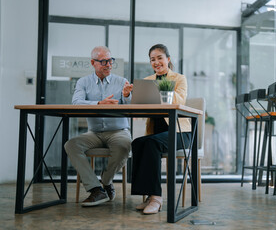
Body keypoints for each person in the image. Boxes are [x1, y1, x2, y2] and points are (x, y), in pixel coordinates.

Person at [65, 46, 133, 207]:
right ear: (93, 63)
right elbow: (76, 103)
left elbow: (129, 106)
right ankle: (96, 189)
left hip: (118, 131)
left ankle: (106, 180)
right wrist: (98, 103)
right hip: (94, 133)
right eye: (103, 61)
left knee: (125, 145)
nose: (108, 64)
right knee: (71, 145)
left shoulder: (121, 82)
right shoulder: (84, 82)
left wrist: (126, 95)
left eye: (110, 61)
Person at [131, 44, 192, 214]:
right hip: (157, 134)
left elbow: (180, 101)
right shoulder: (148, 81)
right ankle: (149, 196)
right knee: (137, 143)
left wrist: (162, 87)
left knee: (150, 144)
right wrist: (131, 94)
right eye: (152, 59)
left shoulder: (179, 78)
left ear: (168, 59)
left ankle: (156, 198)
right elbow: (141, 107)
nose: (156, 62)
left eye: (159, 58)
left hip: (181, 133)